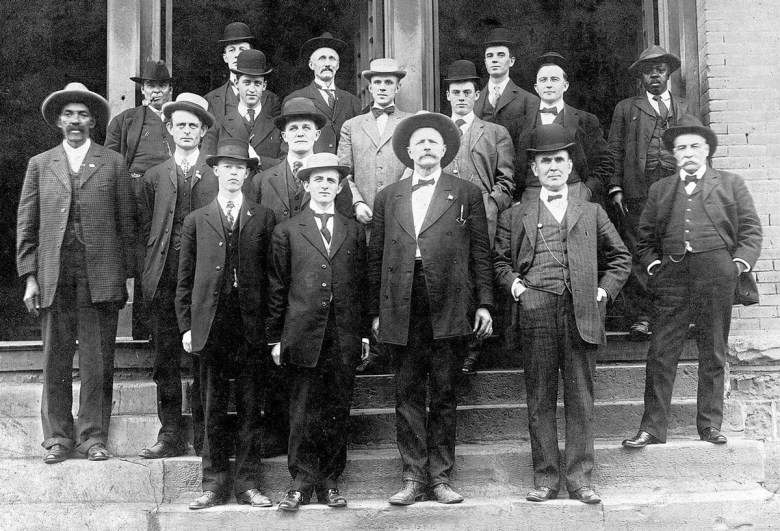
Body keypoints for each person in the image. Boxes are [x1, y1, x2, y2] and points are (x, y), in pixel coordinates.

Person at [493, 124, 630, 504]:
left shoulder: (592, 211)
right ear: (534, 170)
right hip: (535, 312)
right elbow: (499, 261)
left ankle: (580, 480)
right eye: (545, 161)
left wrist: (601, 293)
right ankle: (545, 479)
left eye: (559, 160)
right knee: (539, 399)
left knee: (580, 399)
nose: (553, 167)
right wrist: (517, 287)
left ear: (570, 167)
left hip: (581, 314)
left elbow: (621, 259)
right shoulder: (515, 214)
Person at [368, 112, 494, 505]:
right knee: (406, 392)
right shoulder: (388, 196)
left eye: (432, 142)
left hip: (449, 301)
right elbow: (376, 258)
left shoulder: (466, 192)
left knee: (442, 391)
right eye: (419, 142)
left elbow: (481, 254)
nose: (425, 147)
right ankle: (412, 477)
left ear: (444, 151)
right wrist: (374, 311)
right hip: (401, 301)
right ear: (407, 152)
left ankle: (440, 478)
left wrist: (485, 304)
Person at [622, 116, 762, 449]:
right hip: (672, 276)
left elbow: (751, 231)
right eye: (680, 147)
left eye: (694, 146)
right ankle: (652, 428)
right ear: (672, 154)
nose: (687, 152)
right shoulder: (661, 189)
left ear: (707, 151)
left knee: (713, 348)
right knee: (661, 351)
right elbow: (643, 239)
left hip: (717, 272)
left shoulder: (730, 184)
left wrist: (736, 265)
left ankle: (710, 425)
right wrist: (655, 265)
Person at [17, 82, 136, 464]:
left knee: (98, 360)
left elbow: (127, 224)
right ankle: (57, 438)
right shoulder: (41, 163)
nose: (75, 121)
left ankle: (92, 437)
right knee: (55, 357)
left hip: (99, 276)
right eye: (68, 114)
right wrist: (31, 276)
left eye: (83, 114)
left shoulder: (112, 162)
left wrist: (124, 276)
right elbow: (28, 224)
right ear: (58, 121)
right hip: (54, 274)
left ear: (93, 121)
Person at [176, 139, 277, 509]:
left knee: (252, 406)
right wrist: (187, 326)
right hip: (211, 323)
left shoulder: (263, 218)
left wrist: (271, 327)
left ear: (248, 174)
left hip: (250, 324)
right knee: (211, 405)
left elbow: (273, 277)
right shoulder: (196, 219)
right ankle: (213, 484)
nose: (234, 173)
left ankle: (248, 483)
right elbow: (184, 280)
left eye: (241, 168)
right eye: (227, 167)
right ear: (215, 170)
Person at [268, 153, 369, 511]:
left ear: (340, 187)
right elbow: (278, 287)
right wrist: (276, 338)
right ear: (306, 185)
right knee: (302, 408)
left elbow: (361, 285)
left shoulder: (354, 231)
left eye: (331, 181)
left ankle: (329, 480)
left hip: (342, 335)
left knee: (336, 408)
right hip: (302, 333)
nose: (325, 186)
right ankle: (299, 481)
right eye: (318, 180)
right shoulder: (288, 231)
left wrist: (363, 334)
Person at [137, 93, 218, 459]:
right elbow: (141, 232)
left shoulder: (217, 175)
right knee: (165, 360)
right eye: (180, 125)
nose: (186, 131)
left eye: (193, 125)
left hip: (203, 281)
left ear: (202, 132)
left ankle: (204, 434)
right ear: (169, 130)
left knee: (204, 357)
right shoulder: (154, 177)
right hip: (165, 280)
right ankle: (169, 432)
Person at [607, 45, 697, 340]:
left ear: (668, 73)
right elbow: (615, 150)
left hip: (676, 189)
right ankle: (643, 316)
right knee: (639, 249)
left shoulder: (683, 107)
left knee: (675, 247)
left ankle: (677, 314)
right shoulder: (627, 108)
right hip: (638, 190)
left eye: (659, 70)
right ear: (641, 78)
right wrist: (616, 186)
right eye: (648, 72)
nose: (654, 76)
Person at [337, 57, 413, 374]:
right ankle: (370, 347)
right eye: (377, 82)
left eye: (388, 82)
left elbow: (415, 164)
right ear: (370, 86)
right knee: (365, 279)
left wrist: (398, 203)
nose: (382, 87)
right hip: (364, 218)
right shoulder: (352, 126)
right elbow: (343, 172)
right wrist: (356, 203)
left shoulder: (410, 124)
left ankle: (394, 346)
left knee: (397, 276)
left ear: (397, 86)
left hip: (401, 218)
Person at [441, 59, 516, 374]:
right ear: (447, 95)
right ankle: (455, 347)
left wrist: (488, 204)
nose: (460, 97)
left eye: (467, 92)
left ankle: (478, 347)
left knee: (480, 275)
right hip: (444, 218)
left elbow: (508, 182)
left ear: (476, 95)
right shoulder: (437, 132)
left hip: (484, 220)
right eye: (455, 92)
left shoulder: (495, 132)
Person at [105, 59, 175, 340]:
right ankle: (142, 331)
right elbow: (112, 163)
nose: (155, 92)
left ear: (170, 89)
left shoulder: (178, 120)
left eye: (161, 86)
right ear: (142, 89)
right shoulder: (126, 121)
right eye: (149, 86)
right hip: (136, 202)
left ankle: (164, 334)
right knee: (143, 262)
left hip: (170, 199)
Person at [513, 52, 613, 204]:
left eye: (554, 79)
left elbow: (605, 162)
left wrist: (588, 190)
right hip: (532, 197)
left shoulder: (586, 120)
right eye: (543, 80)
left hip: (575, 194)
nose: (548, 84)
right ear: (536, 87)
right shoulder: (520, 124)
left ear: (565, 85)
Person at [202, 49, 283, 171]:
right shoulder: (219, 126)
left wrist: (260, 161)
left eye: (257, 83)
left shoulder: (276, 127)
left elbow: (286, 164)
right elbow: (206, 165)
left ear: (264, 86)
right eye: (246, 82)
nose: (252, 89)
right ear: (236, 83)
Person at [283, 32, 362, 154]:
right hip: (311, 169)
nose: (327, 64)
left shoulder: (352, 101)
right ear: (311, 65)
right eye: (322, 58)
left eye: (332, 59)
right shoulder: (295, 99)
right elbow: (286, 147)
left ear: (338, 65)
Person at [204, 22, 281, 125]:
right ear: (225, 57)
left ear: (251, 52)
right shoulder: (210, 100)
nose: (237, 55)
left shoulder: (272, 100)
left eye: (242, 50)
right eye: (231, 50)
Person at [474, 27, 538, 139]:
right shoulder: (474, 100)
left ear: (511, 61)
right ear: (485, 62)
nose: (494, 60)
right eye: (490, 56)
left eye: (501, 55)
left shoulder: (529, 100)